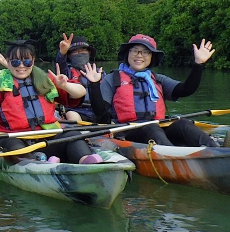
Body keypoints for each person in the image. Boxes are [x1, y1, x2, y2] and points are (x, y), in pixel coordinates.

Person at [0, 40, 103, 164]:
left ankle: (86, 161)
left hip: (47, 135)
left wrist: (65, 86)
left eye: (27, 62)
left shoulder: (45, 79)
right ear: (7, 61)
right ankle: (38, 163)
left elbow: (81, 92)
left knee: (73, 135)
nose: (22, 66)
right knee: (15, 148)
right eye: (16, 62)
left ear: (33, 61)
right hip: (13, 137)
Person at [86, 34, 219, 147]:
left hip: (158, 126)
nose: (140, 56)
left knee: (182, 124)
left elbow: (186, 89)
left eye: (145, 52)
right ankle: (172, 155)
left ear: (151, 58)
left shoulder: (157, 79)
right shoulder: (112, 79)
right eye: (135, 51)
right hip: (127, 131)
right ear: (128, 54)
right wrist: (94, 85)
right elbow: (99, 111)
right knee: (151, 128)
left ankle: (217, 149)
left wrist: (199, 64)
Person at [54, 33, 101, 122]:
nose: (79, 53)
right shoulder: (67, 71)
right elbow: (59, 67)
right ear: (69, 56)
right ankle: (80, 133)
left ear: (89, 52)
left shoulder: (99, 72)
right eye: (75, 51)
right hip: (76, 110)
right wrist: (62, 52)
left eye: (83, 50)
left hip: (98, 110)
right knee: (72, 115)